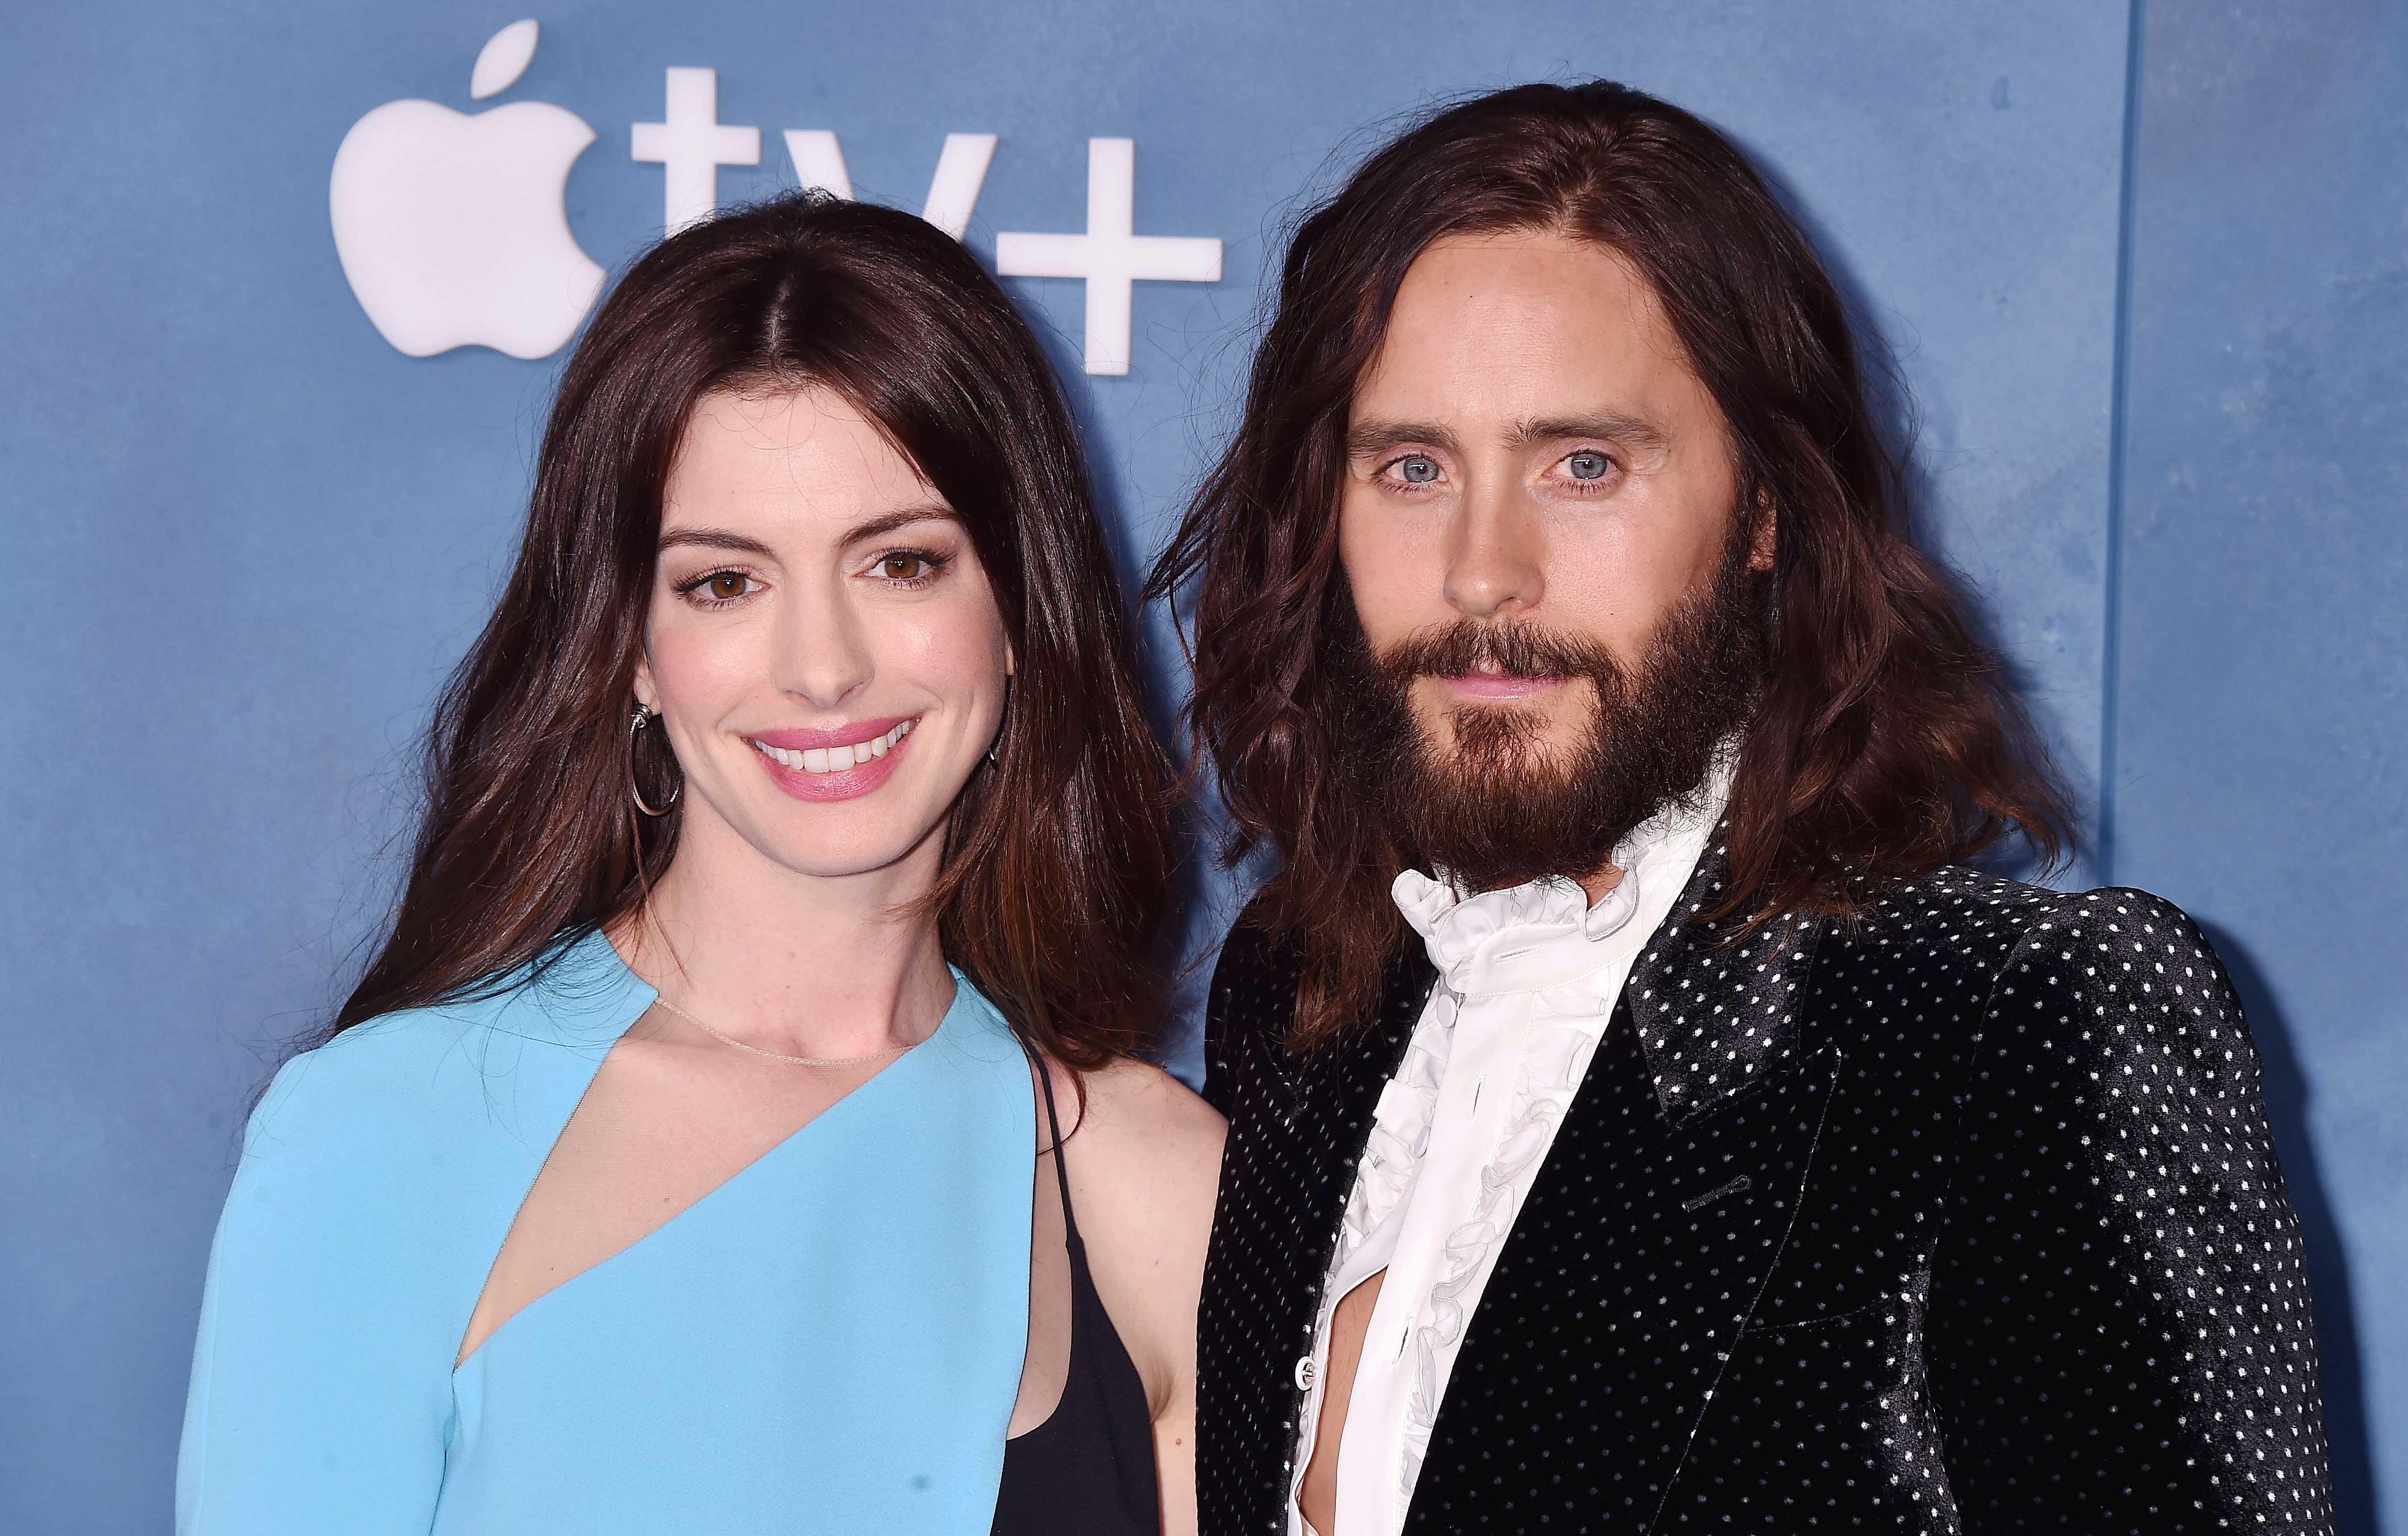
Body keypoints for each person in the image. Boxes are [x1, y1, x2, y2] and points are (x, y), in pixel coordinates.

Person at [1150, 81, 2336, 1535]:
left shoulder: (2015, 1025)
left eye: (1582, 464)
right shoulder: (1296, 1000)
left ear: (1767, 507)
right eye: (1412, 467)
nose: (1480, 572)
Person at [177, 191, 1223, 1535]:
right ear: (629, 644)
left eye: (902, 563)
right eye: (725, 581)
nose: (824, 666)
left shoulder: (1154, 1184)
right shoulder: (382, 1133)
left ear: (1019, 608)